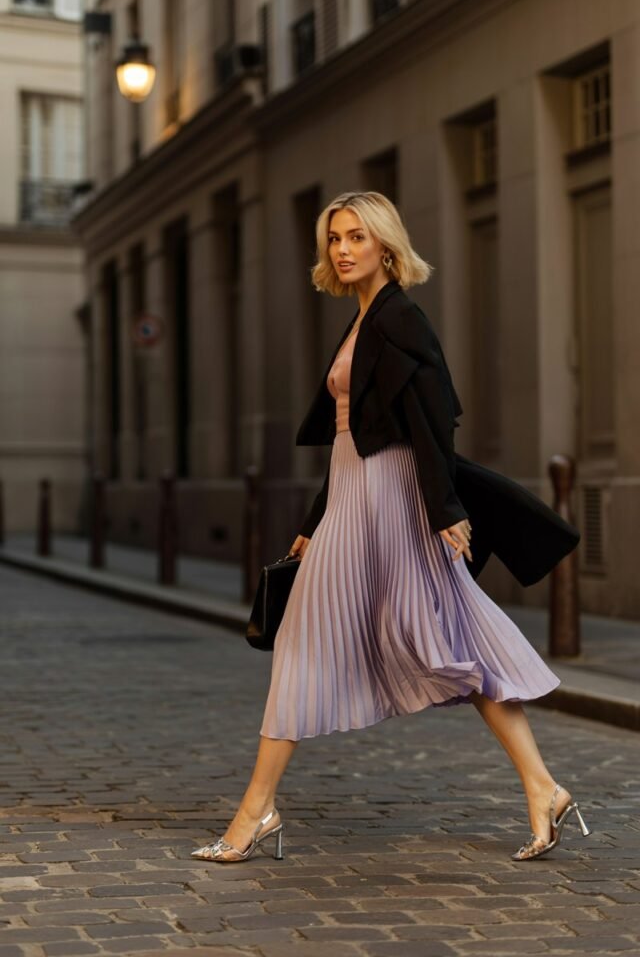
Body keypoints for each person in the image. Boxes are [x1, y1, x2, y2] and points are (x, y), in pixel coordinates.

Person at [191, 191, 590, 866]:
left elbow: (433, 425)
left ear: (386, 245)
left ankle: (542, 788)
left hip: (396, 507)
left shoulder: (401, 318)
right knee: (323, 642)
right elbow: (352, 439)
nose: (342, 249)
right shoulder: (362, 321)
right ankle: (542, 788)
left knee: (445, 645)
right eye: (334, 239)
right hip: (354, 504)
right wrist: (316, 523)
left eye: (356, 237)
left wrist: (445, 511)